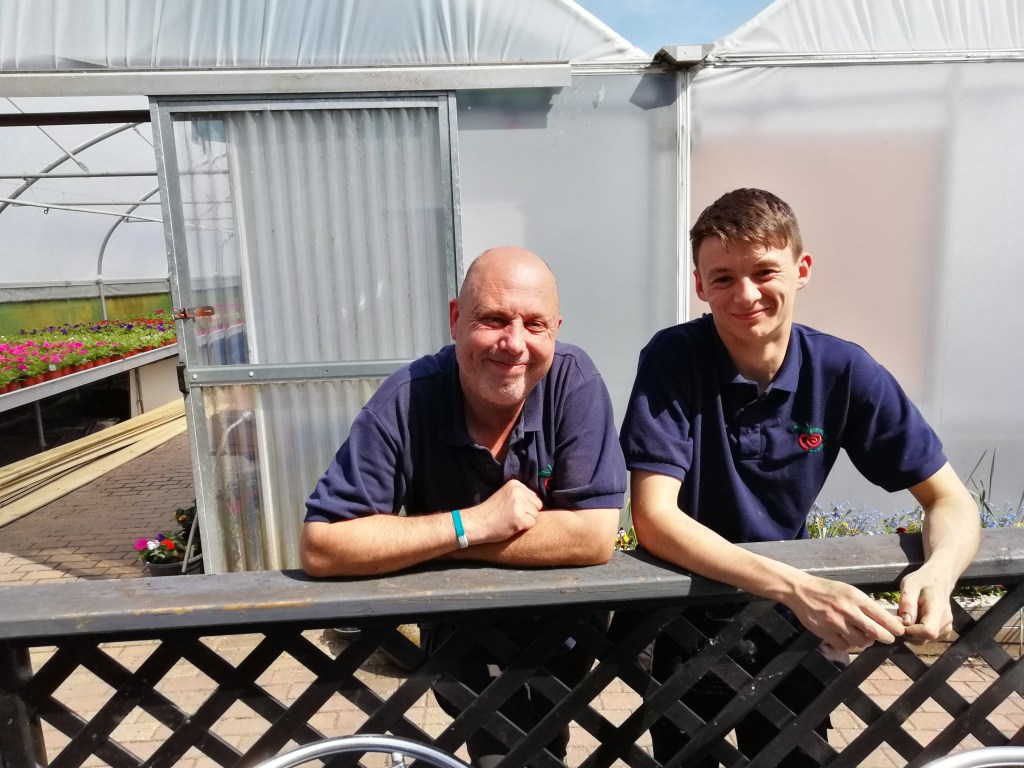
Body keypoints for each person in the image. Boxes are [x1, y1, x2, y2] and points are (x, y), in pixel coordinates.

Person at [618, 188, 980, 767]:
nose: (746, 295)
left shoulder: (843, 369)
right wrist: (799, 587)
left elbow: (950, 500)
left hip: (794, 629)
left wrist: (938, 573)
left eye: (765, 271)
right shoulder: (674, 358)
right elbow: (655, 518)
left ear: (802, 269)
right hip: (686, 618)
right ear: (698, 285)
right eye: (723, 278)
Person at [302, 246, 627, 767]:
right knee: (488, 752)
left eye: (535, 324)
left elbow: (592, 535)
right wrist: (471, 522)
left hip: (564, 632)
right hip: (456, 636)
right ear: (456, 319)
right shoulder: (407, 398)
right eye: (493, 319)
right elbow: (324, 543)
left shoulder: (575, 380)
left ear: (556, 329)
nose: (514, 343)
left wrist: (436, 544)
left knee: (550, 749)